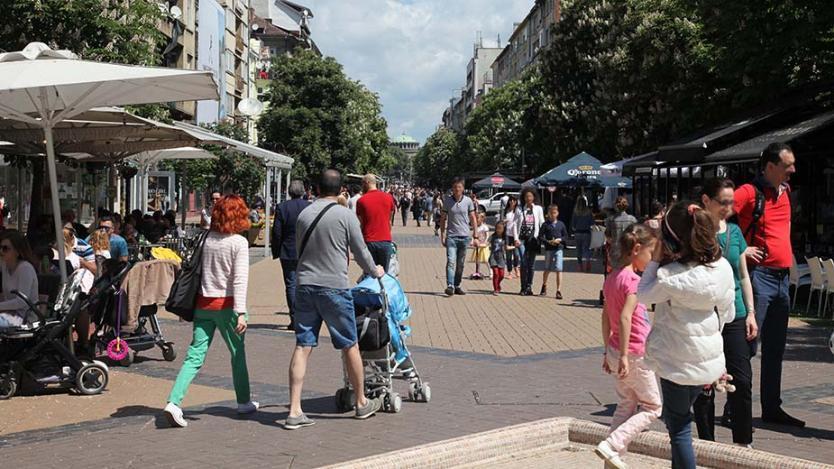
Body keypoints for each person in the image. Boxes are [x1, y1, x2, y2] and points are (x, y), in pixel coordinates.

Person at [637, 202, 736, 469]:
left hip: (677, 363)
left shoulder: (670, 277)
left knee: (679, 429)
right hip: (708, 362)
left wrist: (656, 258)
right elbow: (727, 313)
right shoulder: (723, 268)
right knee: (684, 421)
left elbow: (643, 293)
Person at [286, 170, 385, 429]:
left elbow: (299, 250)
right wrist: (375, 271)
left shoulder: (304, 215)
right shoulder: (345, 215)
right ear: (341, 189)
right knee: (349, 344)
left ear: (316, 188)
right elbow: (360, 250)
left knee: (302, 345)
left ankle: (294, 409)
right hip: (335, 287)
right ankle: (361, 402)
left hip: (305, 285)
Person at [164, 195, 258, 428]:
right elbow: (239, 280)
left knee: (194, 356)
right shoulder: (238, 243)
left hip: (202, 304)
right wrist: (241, 312)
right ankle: (244, 401)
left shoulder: (206, 239)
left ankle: (174, 402)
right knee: (237, 354)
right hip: (226, 306)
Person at [733, 142, 803, 428]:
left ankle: (771, 408)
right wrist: (741, 249)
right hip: (759, 276)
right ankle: (735, 408)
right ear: (770, 167)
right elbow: (714, 214)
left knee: (775, 349)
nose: (793, 170)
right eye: (788, 166)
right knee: (748, 345)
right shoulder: (749, 193)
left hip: (782, 279)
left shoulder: (784, 193)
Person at [692, 178, 758, 447]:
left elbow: (743, 276)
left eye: (732, 202)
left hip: (736, 315)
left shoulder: (734, 232)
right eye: (724, 202)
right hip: (704, 317)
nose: (730, 207)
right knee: (705, 385)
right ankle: (708, 445)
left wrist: (751, 313)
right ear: (706, 201)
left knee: (741, 381)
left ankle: (743, 444)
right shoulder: (693, 232)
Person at [596, 224, 662, 468]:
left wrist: (607, 351)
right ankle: (613, 444)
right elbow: (624, 317)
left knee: (625, 405)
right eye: (651, 252)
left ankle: (612, 458)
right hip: (634, 353)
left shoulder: (612, 278)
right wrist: (623, 355)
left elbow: (605, 316)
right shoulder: (633, 281)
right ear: (636, 249)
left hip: (617, 350)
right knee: (653, 406)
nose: (652, 259)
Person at [272, 180, 311, 331]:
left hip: (288, 251)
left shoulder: (282, 207)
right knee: (306, 283)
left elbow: (277, 232)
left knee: (291, 284)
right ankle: (306, 318)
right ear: (303, 192)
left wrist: (276, 251)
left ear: (289, 192)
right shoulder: (309, 207)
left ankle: (294, 318)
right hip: (306, 251)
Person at [439, 177, 478, 297]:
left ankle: (457, 285)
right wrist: (442, 234)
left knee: (460, 264)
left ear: (463, 188)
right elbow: (443, 219)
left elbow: (473, 218)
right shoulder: (447, 201)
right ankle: (450, 285)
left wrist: (475, 234)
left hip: (464, 236)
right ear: (452, 188)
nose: (457, 189)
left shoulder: (468, 201)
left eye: (459, 187)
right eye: (455, 187)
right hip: (451, 236)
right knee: (451, 261)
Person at [356, 174, 396, 272]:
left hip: (369, 241)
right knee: (384, 274)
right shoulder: (388, 198)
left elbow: (361, 222)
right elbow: (389, 219)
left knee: (369, 273)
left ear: (367, 183)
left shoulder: (361, 201)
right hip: (385, 240)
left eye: (362, 183)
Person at [0, 231, 38, 329]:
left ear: (17, 252)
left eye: (5, 248)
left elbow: (22, 302)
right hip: (9, 314)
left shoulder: (25, 268)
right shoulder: (4, 266)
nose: (1, 251)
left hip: (25, 318)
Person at [518, 187, 545, 296]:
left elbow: (542, 223)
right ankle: (523, 287)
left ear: (533, 197)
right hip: (522, 239)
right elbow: (516, 224)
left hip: (533, 239)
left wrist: (540, 237)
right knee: (523, 262)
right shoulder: (520, 209)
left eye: (530, 196)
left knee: (531, 264)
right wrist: (515, 238)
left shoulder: (538, 208)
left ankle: (529, 286)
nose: (528, 198)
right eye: (526, 196)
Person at [540, 205, 568, 299]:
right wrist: (547, 241)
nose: (553, 215)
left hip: (558, 248)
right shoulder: (545, 224)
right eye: (551, 213)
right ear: (548, 214)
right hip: (549, 249)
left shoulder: (561, 224)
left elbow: (565, 236)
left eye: (554, 213)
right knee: (547, 268)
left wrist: (560, 240)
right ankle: (544, 285)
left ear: (557, 213)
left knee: (559, 269)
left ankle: (558, 290)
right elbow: (540, 236)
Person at [605, 197, 638, 264]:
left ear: (616, 206)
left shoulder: (610, 219)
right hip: (628, 249)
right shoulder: (632, 219)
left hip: (615, 249)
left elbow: (608, 237)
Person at [572, 196, 595, 273]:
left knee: (578, 250)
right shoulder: (589, 212)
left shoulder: (575, 212)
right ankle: (588, 262)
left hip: (578, 232)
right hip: (586, 233)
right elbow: (592, 223)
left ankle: (580, 265)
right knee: (587, 249)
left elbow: (573, 224)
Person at [503, 196, 522, 279]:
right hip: (507, 234)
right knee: (508, 254)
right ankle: (509, 272)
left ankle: (516, 269)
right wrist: (503, 222)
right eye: (511, 200)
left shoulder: (518, 211)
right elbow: (501, 221)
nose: (512, 202)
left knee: (516, 254)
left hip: (516, 235)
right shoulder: (505, 211)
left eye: (514, 200)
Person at [489, 220, 508, 295]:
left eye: (500, 228)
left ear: (503, 230)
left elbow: (507, 247)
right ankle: (496, 289)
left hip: (501, 258)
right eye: (497, 228)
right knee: (496, 273)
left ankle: (498, 284)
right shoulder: (493, 237)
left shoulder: (505, 238)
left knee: (502, 275)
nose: (498, 230)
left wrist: (515, 246)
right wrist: (480, 244)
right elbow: (487, 243)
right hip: (493, 257)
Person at [470, 212, 490, 280]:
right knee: (477, 260)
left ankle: (491, 272)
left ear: (482, 219)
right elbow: (473, 236)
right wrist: (472, 241)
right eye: (476, 218)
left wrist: (486, 241)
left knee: (486, 259)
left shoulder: (485, 227)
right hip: (477, 245)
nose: (477, 219)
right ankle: (477, 271)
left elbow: (487, 235)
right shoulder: (476, 227)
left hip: (483, 245)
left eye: (478, 218)